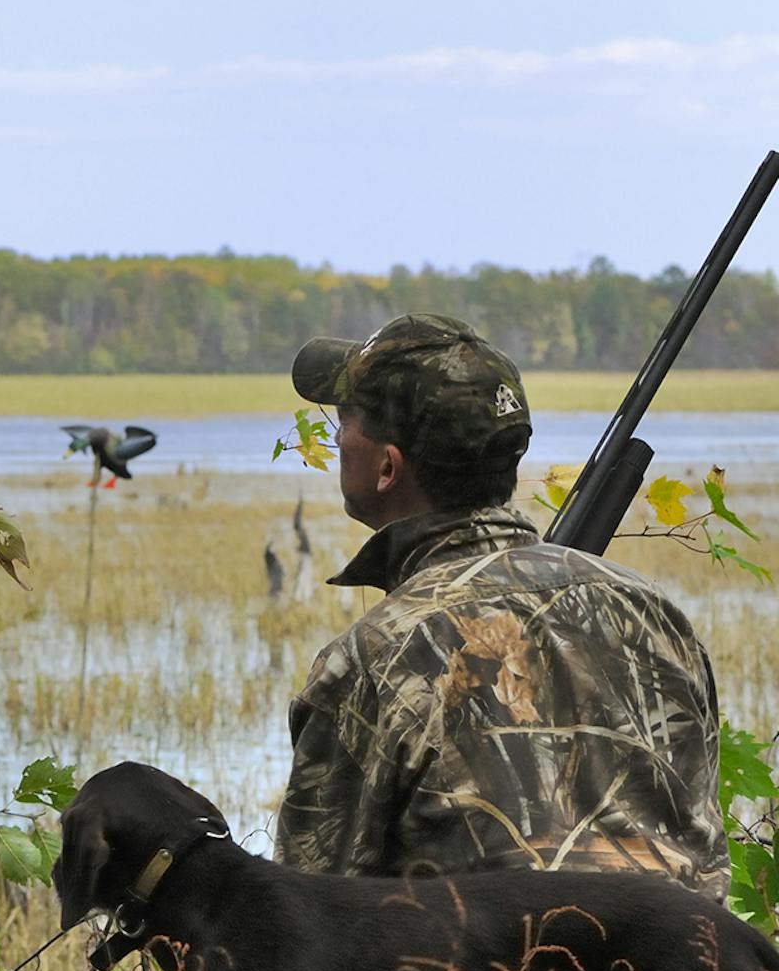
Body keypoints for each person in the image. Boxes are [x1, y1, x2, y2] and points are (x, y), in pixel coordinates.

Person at [275, 313, 728, 899]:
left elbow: (305, 923)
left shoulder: (374, 661)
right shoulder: (654, 616)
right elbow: (704, 853)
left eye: (347, 420)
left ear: (388, 467)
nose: (338, 437)